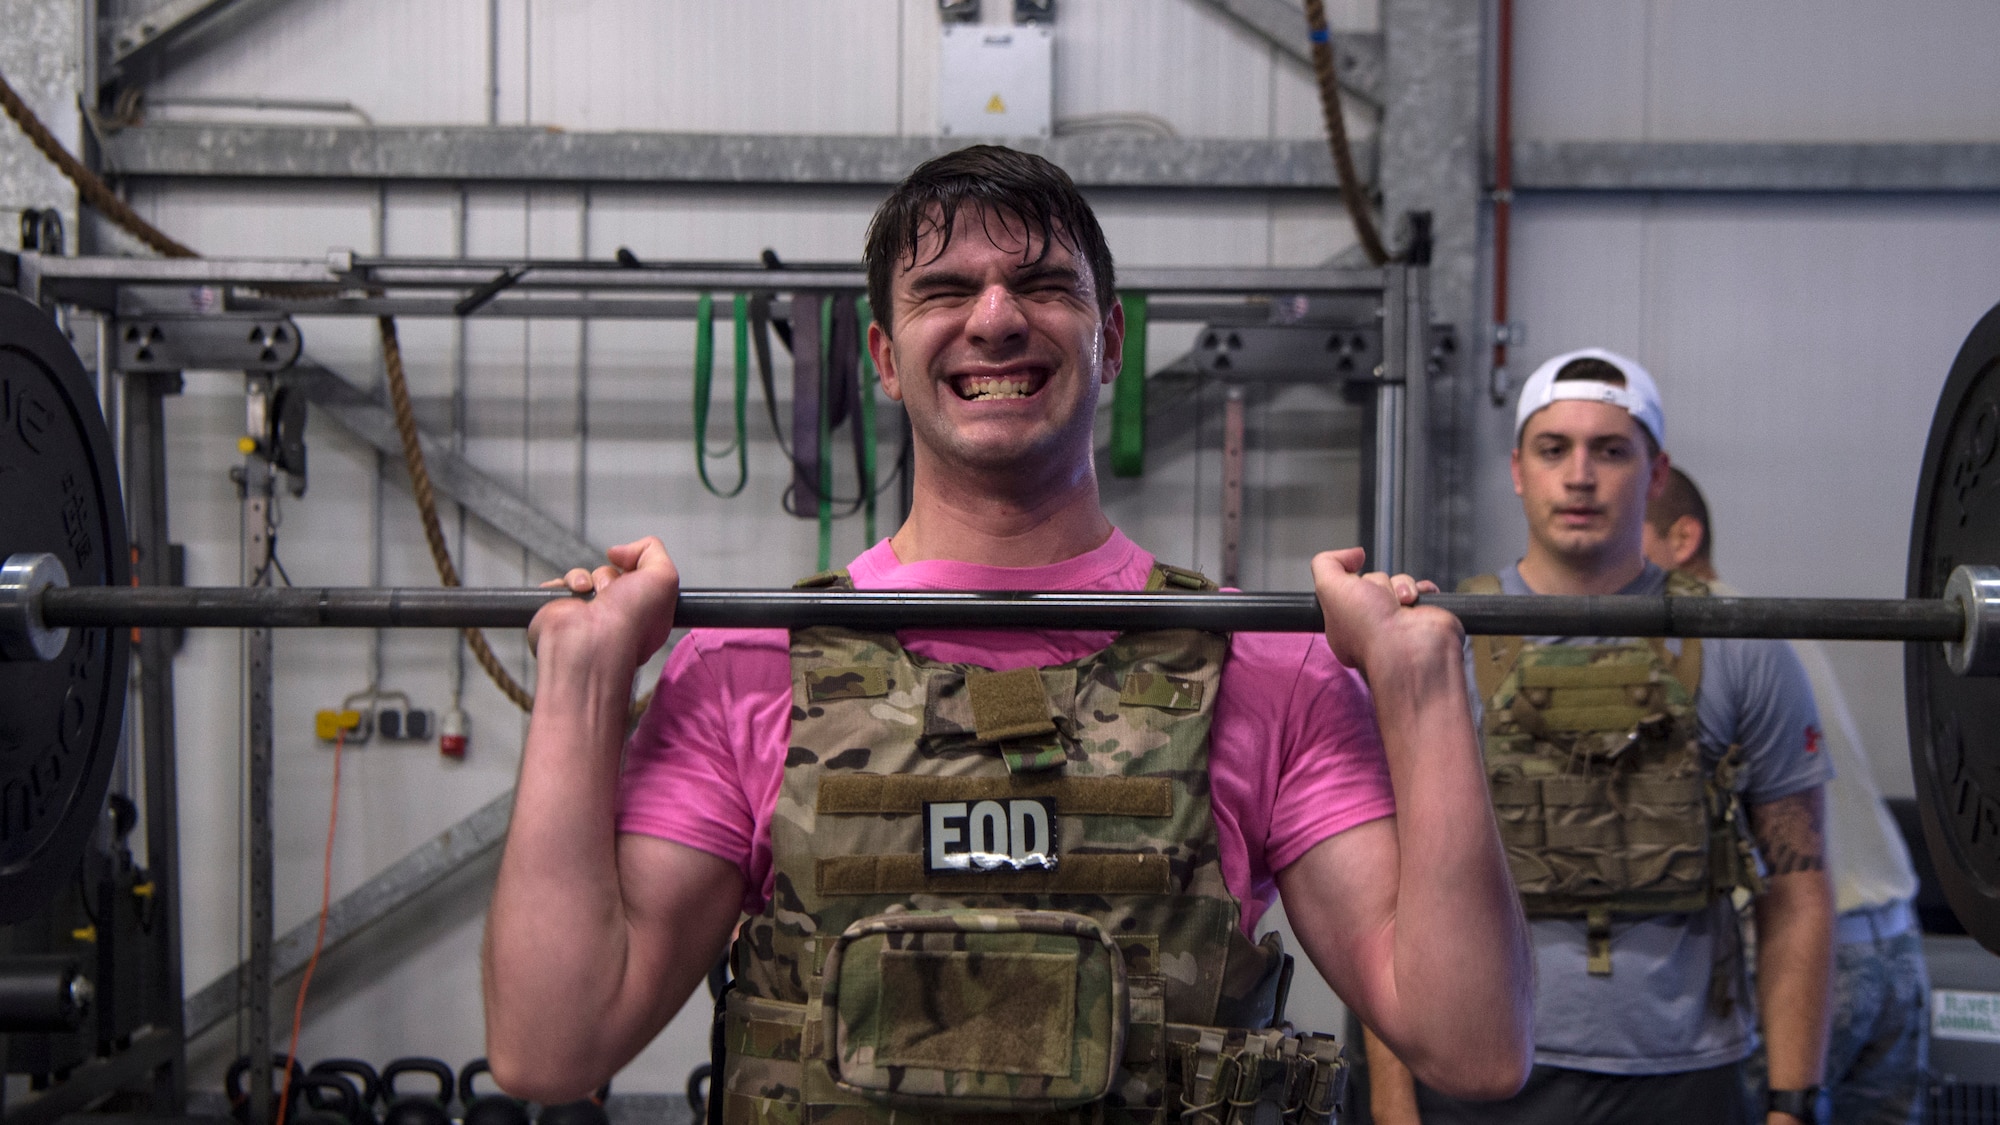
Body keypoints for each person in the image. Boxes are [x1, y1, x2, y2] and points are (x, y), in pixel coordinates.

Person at [481, 145, 1534, 1122]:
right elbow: (550, 1050)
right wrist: (579, 678)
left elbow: (1472, 1047)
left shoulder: (1270, 668)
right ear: (886, 360)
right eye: (944, 291)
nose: (994, 319)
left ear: (1109, 337)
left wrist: (1422, 686)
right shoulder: (744, 670)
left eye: (1040, 285)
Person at [1364, 348, 1836, 1125]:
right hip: (1478, 1071)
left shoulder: (1742, 645)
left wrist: (1791, 1102)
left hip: (1687, 1076)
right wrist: (1392, 1097)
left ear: (1655, 473)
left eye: (1611, 450)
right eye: (1555, 450)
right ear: (1518, 469)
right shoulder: (1437, 639)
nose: (1580, 475)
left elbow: (1799, 887)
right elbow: (1387, 891)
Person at [1646, 466, 1930, 1125]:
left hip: (1813, 965)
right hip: (1895, 947)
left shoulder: (1699, 649)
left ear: (1682, 538)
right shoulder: (1772, 626)